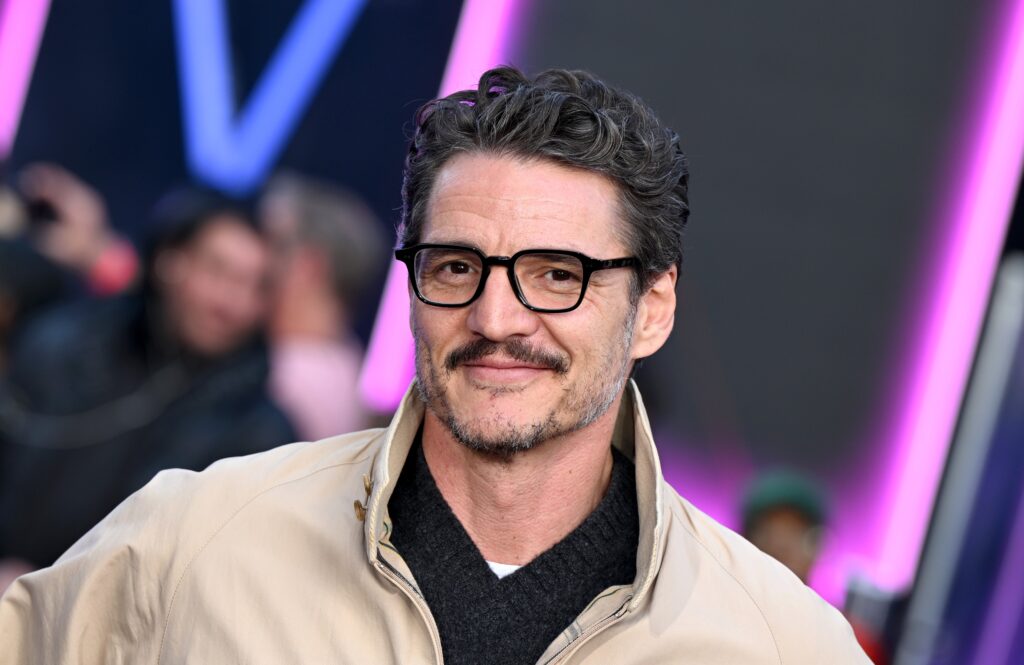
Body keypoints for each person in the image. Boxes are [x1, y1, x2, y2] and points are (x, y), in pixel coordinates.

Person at [0, 67, 869, 663]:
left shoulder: (783, 643)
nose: (495, 318)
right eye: (456, 266)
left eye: (556, 275)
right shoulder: (196, 537)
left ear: (653, 307)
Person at [0, 188, 295, 588]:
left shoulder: (261, 435)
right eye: (218, 272)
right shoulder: (62, 344)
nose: (232, 302)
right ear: (169, 262)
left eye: (256, 286)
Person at [261, 172, 386, 439]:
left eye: (272, 244)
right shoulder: (347, 363)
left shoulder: (285, 381)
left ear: (308, 266)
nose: (255, 258)